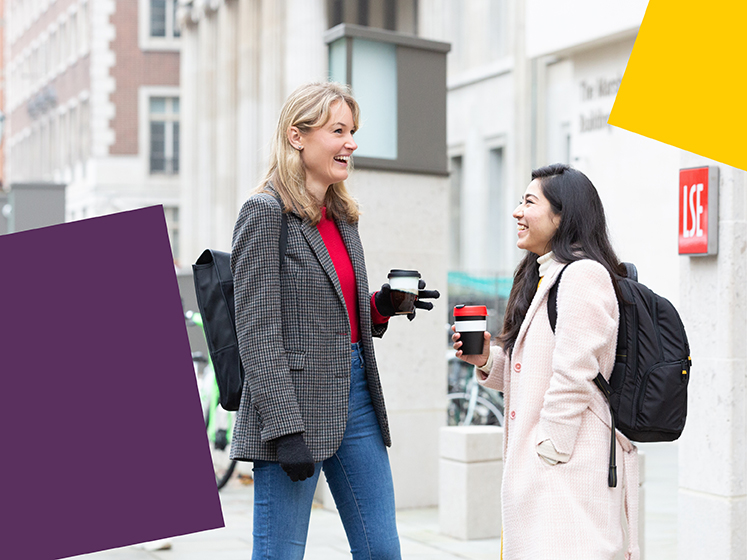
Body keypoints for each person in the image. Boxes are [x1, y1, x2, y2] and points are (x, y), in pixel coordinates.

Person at [230, 81, 439, 560]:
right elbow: (257, 331)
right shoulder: (264, 213)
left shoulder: (342, 216)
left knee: (382, 551)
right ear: (297, 136)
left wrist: (381, 305)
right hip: (293, 405)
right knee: (280, 555)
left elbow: (333, 312)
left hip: (357, 396)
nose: (352, 142)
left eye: (354, 131)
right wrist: (284, 428)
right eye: (338, 130)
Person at [452, 163, 639, 560]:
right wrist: (487, 359)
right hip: (548, 470)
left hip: (567, 468)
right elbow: (535, 372)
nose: (518, 212)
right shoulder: (543, 276)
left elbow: (575, 372)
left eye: (529, 202)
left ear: (562, 215)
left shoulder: (583, 275)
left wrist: (549, 446)